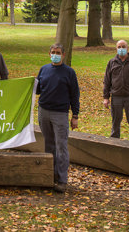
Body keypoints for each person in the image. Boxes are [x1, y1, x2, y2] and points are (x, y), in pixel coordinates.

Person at [36, 43, 80, 193]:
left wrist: (75, 115)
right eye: (53, 52)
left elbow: (75, 95)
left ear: (63, 55)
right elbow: (37, 89)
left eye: (58, 52)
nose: (55, 54)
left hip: (60, 114)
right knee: (49, 145)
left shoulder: (69, 73)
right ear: (49, 54)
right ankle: (49, 175)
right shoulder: (44, 69)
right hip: (44, 112)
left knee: (61, 147)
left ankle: (61, 180)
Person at [102, 39, 129, 140]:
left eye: (123, 47)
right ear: (116, 49)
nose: (121, 49)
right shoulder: (112, 62)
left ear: (128, 48)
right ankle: (114, 142)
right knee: (116, 121)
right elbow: (107, 81)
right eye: (119, 47)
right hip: (116, 97)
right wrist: (105, 97)